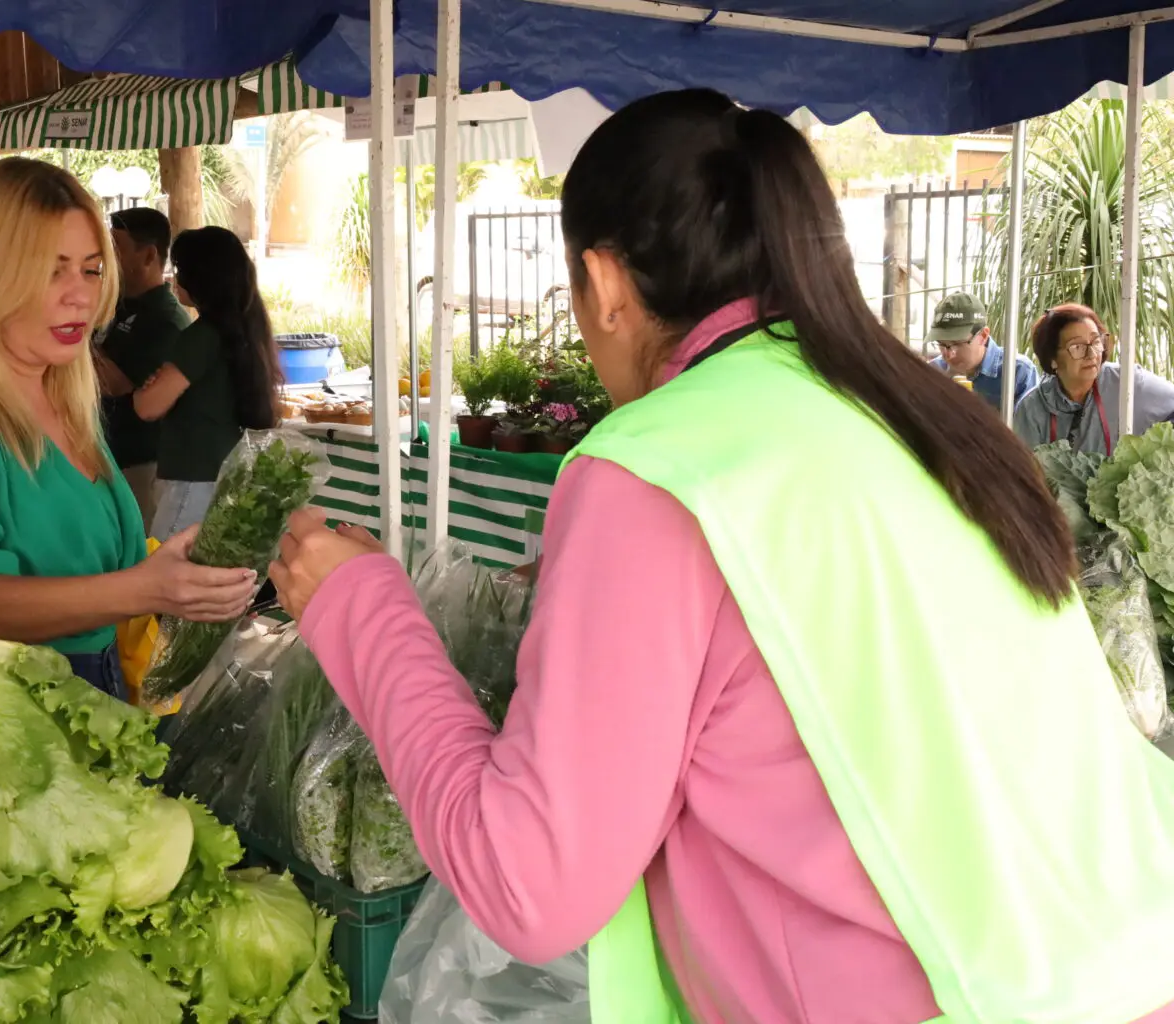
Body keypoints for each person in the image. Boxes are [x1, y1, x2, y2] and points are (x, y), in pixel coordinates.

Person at [269, 90, 1174, 1023]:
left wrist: (363, 609)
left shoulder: (657, 463)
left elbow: (530, 883)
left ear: (606, 281)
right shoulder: (903, 407)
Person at [0, 157, 257, 700]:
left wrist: (189, 568)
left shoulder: (64, 391)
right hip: (0, 714)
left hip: (97, 695)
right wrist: (143, 588)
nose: (81, 294)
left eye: (92, 269)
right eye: (52, 269)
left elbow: (103, 568)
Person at [132, 225, 282, 541]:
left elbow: (148, 407)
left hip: (192, 481)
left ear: (200, 277)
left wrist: (144, 390)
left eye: (181, 268)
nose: (174, 277)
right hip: (227, 477)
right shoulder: (248, 329)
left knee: (164, 576)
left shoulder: (201, 336)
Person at [97, 207, 190, 530]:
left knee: (139, 551)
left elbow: (118, 384)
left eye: (116, 248)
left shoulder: (165, 319)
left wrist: (72, 334)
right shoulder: (116, 306)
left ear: (149, 255)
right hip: (106, 455)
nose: (106, 259)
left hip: (140, 463)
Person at [1013, 303, 1174, 454]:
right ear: (1052, 359)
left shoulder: (1127, 382)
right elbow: (1025, 474)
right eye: (1077, 347)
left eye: (1096, 342)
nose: (1091, 355)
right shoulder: (1031, 409)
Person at [925, 291, 1037, 411]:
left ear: (983, 335)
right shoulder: (935, 370)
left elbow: (1029, 427)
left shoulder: (1017, 371)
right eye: (942, 344)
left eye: (957, 344)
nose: (949, 354)